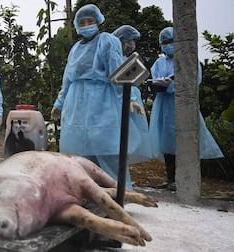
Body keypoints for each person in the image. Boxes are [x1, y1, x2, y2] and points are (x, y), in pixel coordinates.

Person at [50, 4, 146, 189]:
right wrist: (59, 102)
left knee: (108, 149)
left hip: (102, 101)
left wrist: (130, 98)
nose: (86, 25)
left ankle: (120, 194)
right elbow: (67, 78)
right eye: (82, 22)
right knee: (79, 153)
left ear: (98, 21)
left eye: (90, 21)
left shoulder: (108, 41)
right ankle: (88, 194)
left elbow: (119, 72)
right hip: (76, 103)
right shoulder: (76, 48)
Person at [149, 27, 224, 190]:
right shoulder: (158, 63)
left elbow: (194, 81)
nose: (168, 45)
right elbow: (154, 81)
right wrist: (159, 85)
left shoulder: (189, 60)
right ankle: (170, 179)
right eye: (164, 42)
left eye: (171, 41)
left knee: (183, 141)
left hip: (183, 105)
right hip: (164, 107)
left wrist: (173, 85)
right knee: (167, 144)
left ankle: (186, 179)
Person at [112, 25, 153, 164]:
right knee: (120, 135)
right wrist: (129, 98)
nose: (132, 45)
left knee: (131, 135)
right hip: (120, 100)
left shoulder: (125, 57)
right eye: (129, 41)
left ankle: (124, 169)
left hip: (131, 98)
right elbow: (118, 83)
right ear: (121, 40)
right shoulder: (114, 57)